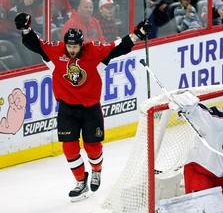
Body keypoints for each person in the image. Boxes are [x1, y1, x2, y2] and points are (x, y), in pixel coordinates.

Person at [14, 12, 152, 202]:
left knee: (93, 148)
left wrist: (138, 34)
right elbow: (35, 44)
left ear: (81, 44)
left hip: (90, 109)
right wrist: (26, 29)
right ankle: (80, 181)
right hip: (67, 109)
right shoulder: (56, 53)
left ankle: (96, 171)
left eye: (75, 46)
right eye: (69, 46)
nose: (72, 50)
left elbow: (117, 47)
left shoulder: (94, 53)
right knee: (69, 149)